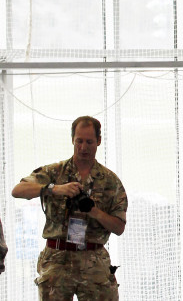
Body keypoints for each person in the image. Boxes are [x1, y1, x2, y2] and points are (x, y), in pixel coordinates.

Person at [12, 116, 127, 300]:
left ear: (98, 141)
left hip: (93, 261)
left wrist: (94, 211)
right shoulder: (54, 173)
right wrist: (54, 189)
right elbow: (18, 191)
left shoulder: (110, 181)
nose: (83, 147)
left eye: (89, 142)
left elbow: (119, 227)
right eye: (79, 141)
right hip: (57, 259)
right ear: (72, 139)